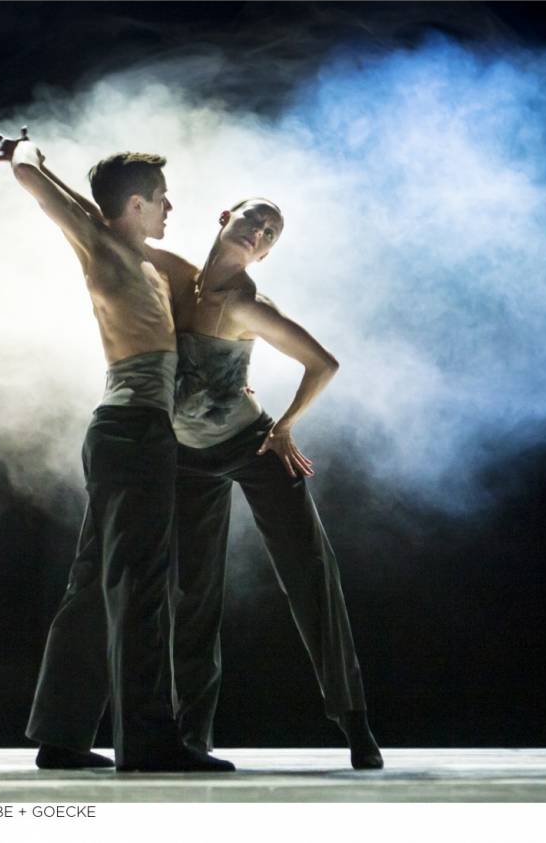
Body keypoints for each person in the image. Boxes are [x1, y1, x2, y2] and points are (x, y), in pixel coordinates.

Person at [0, 129, 232, 772]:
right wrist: (23, 157)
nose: (171, 209)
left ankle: (61, 737)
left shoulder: (141, 258)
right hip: (133, 435)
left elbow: (80, 201)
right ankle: (147, 741)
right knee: (140, 588)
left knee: (94, 585)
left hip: (130, 434)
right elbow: (45, 192)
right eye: (163, 199)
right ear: (138, 204)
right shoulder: (107, 249)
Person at [159, 198, 383, 770]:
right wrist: (28, 161)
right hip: (187, 457)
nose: (259, 232)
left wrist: (284, 426)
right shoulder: (177, 275)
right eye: (254, 219)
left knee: (309, 573)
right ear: (224, 216)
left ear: (266, 252)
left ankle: (355, 722)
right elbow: (103, 226)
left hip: (253, 447)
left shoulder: (248, 304)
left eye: (270, 233)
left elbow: (323, 363)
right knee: (192, 595)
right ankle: (191, 738)